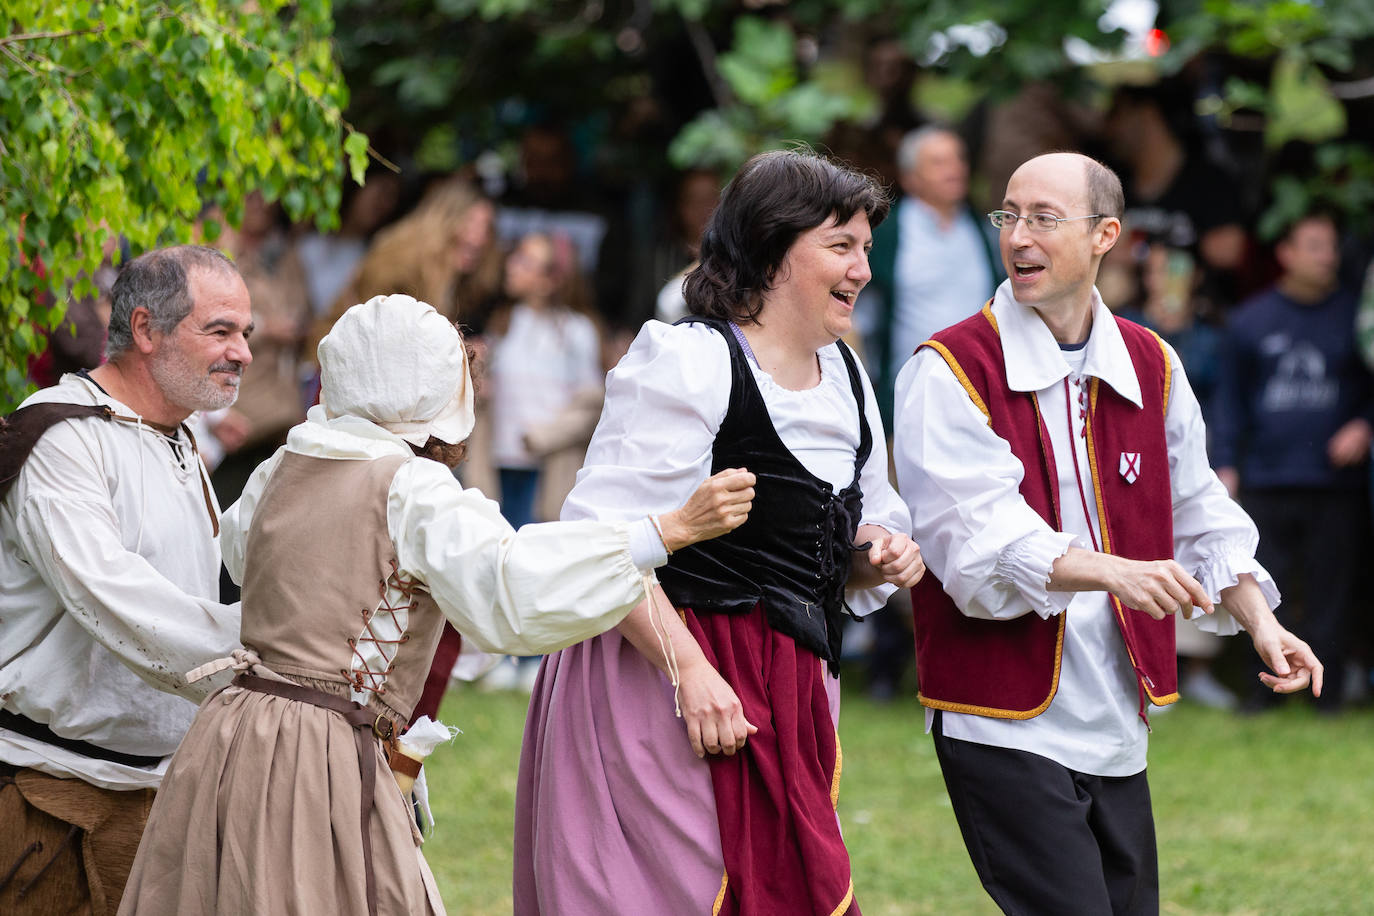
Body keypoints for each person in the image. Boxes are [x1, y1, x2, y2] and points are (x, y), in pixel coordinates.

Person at [118, 293, 753, 915]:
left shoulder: (281, 464)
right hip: (322, 751)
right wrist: (665, 531)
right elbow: (512, 588)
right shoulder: (411, 488)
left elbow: (241, 560)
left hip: (235, 731)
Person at [893, 152, 1323, 914]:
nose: (1019, 236)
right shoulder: (950, 369)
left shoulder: (1151, 362)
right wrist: (1114, 571)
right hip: (1001, 720)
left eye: (1045, 218)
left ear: (1106, 235)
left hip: (1115, 714)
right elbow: (975, 545)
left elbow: (1199, 511)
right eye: (1009, 216)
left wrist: (1262, 620)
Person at [515, 149, 923, 916]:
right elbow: (603, 542)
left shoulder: (846, 378)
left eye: (866, 249)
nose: (863, 269)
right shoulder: (689, 361)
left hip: (790, 684)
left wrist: (879, 557)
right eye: (842, 246)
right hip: (660, 677)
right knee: (673, 894)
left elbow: (846, 538)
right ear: (772, 249)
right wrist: (693, 673)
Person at [0, 245, 249, 913]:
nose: (242, 353)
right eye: (220, 330)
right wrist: (272, 652)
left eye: (244, 333)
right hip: (49, 801)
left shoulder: (178, 442)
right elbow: (117, 601)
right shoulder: (60, 436)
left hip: (155, 800)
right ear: (145, 329)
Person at [1212, 211, 1373, 714]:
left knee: (1333, 589)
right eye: (1314, 245)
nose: (1326, 256)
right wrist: (1226, 464)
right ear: (1285, 254)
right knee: (1259, 587)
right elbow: (1229, 401)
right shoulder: (1249, 320)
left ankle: (1327, 696)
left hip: (1335, 481)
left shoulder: (1356, 316)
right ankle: (1261, 692)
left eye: (1330, 247)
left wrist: (1365, 424)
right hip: (1266, 476)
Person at [859, 125, 1003, 428]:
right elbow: (862, 317)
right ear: (910, 178)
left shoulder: (985, 230)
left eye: (958, 160)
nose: (955, 170)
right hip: (908, 394)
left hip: (979, 393)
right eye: (939, 163)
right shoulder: (886, 235)